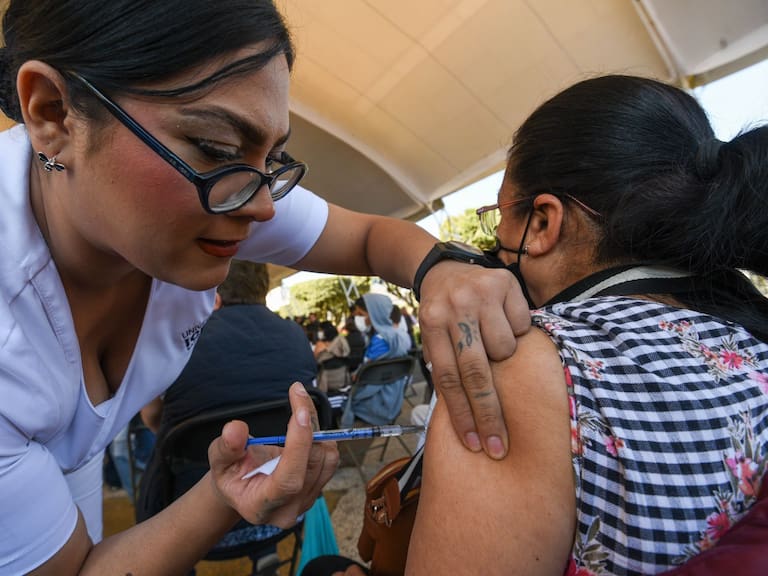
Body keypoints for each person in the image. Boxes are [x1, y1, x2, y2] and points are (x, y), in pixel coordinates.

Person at [0, 1, 528, 572]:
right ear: (52, 113)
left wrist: (443, 270)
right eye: (218, 148)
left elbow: (373, 237)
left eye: (272, 159)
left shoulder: (213, 199)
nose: (261, 209)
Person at [311, 75, 768, 575]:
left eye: (500, 215)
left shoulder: (527, 364)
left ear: (545, 222)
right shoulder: (752, 328)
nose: (495, 240)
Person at [137, 259, 316, 575]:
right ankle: (266, 552)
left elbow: (152, 416)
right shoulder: (296, 337)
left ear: (211, 288)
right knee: (266, 444)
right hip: (282, 510)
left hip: (193, 526)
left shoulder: (180, 342)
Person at [341, 294, 412, 427]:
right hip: (394, 401)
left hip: (374, 404)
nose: (358, 318)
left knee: (334, 403)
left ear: (374, 314)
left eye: (361, 314)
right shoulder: (399, 336)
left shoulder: (380, 340)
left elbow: (365, 378)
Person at [314, 320, 352, 393]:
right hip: (342, 379)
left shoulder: (320, 345)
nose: (319, 332)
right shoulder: (341, 341)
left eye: (320, 330)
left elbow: (314, 361)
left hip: (325, 382)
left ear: (325, 331)